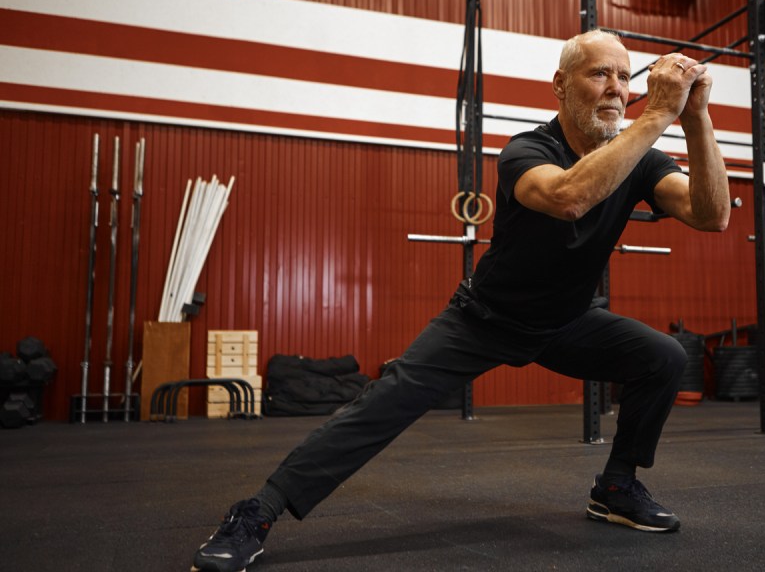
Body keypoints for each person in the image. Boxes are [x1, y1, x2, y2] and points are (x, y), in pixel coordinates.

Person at [191, 28, 730, 572]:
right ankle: (256, 513)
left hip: (566, 321)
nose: (616, 87)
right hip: (485, 319)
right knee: (380, 406)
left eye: (623, 76)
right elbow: (570, 197)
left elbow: (713, 215)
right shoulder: (528, 150)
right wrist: (658, 115)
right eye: (599, 74)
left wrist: (696, 118)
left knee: (664, 357)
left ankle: (615, 486)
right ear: (560, 85)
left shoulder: (640, 156)